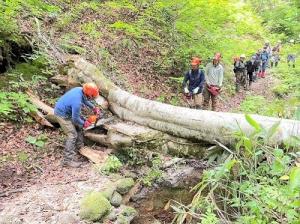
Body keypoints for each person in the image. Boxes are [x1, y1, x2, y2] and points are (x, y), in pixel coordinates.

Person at [54, 83, 101, 168]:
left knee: (79, 127)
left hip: (67, 110)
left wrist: (93, 107)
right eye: (92, 97)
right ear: (88, 94)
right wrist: (84, 123)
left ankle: (80, 147)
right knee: (72, 135)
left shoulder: (80, 89)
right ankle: (67, 161)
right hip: (62, 114)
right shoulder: (77, 102)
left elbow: (85, 100)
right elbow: (75, 119)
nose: (92, 98)